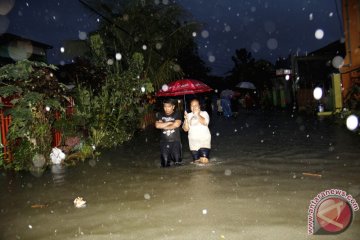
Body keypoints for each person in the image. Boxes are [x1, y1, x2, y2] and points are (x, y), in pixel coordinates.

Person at [182, 99, 211, 164]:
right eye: (192, 106)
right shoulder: (188, 115)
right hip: (193, 143)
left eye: (196, 105)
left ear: (199, 106)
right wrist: (186, 120)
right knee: (197, 163)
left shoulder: (204, 113)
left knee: (204, 162)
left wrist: (197, 114)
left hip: (204, 141)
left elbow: (205, 122)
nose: (194, 107)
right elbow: (185, 129)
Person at [155, 99, 182, 167]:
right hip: (164, 142)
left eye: (169, 106)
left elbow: (177, 124)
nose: (166, 108)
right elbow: (157, 125)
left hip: (175, 142)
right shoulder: (160, 114)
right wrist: (170, 122)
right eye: (165, 106)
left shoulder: (177, 113)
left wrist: (164, 126)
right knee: (165, 164)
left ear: (173, 106)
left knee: (177, 163)